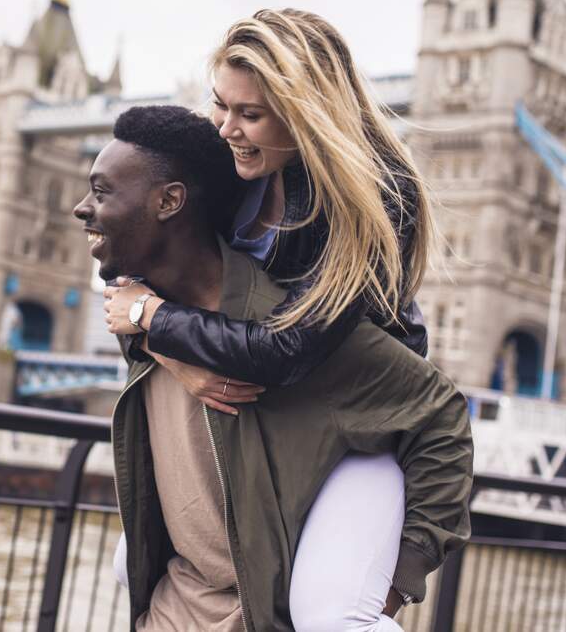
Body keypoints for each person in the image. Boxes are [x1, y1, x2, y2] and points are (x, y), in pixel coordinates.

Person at [76, 105, 471, 632]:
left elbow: (441, 414)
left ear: (171, 202)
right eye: (222, 107)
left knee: (332, 622)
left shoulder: (306, 326)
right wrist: (166, 346)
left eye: (101, 192)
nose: (81, 209)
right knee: (126, 565)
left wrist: (395, 586)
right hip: (176, 607)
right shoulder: (139, 318)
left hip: (276, 589)